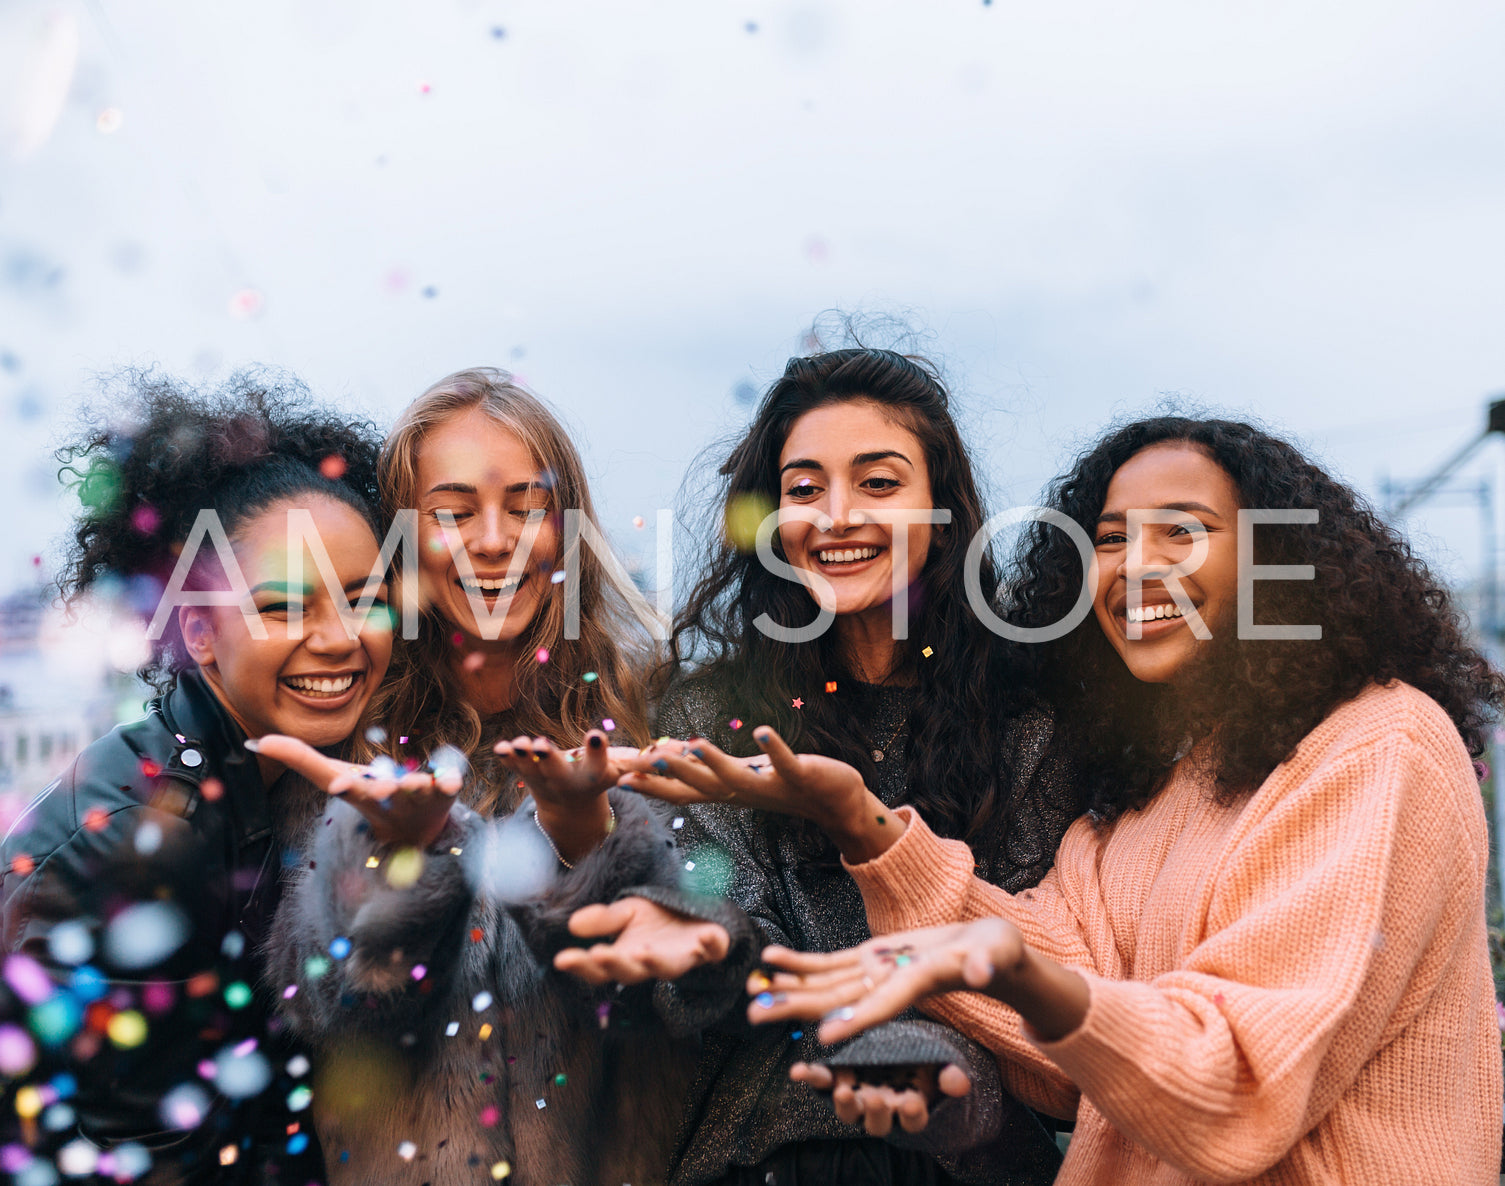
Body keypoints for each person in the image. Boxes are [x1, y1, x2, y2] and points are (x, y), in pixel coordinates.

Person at [735, 416, 1505, 1184]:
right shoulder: (1158, 788)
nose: (1136, 565)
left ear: (1275, 559)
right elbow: (1073, 1056)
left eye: (1182, 531)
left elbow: (1235, 1081)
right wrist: (865, 826)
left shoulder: (1375, 745)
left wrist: (1013, 972)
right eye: (1108, 539)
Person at [571, 348, 1075, 1186]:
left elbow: (1035, 970)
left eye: (878, 484)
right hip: (763, 1155)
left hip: (966, 1155)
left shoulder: (1030, 724)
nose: (835, 516)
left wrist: (911, 1048)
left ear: (941, 510)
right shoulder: (710, 714)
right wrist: (707, 939)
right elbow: (716, 960)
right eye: (803, 489)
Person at [261, 368, 748, 1185]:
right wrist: (395, 859)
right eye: (452, 513)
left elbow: (703, 997)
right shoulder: (346, 737)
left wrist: (589, 845)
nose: (495, 540)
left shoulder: (655, 713)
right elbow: (315, 1007)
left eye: (527, 509)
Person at [0, 372, 394, 1184]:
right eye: (286, 608)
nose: (340, 639)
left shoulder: (255, 774)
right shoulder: (152, 837)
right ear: (201, 633)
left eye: (364, 599)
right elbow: (144, 1156)